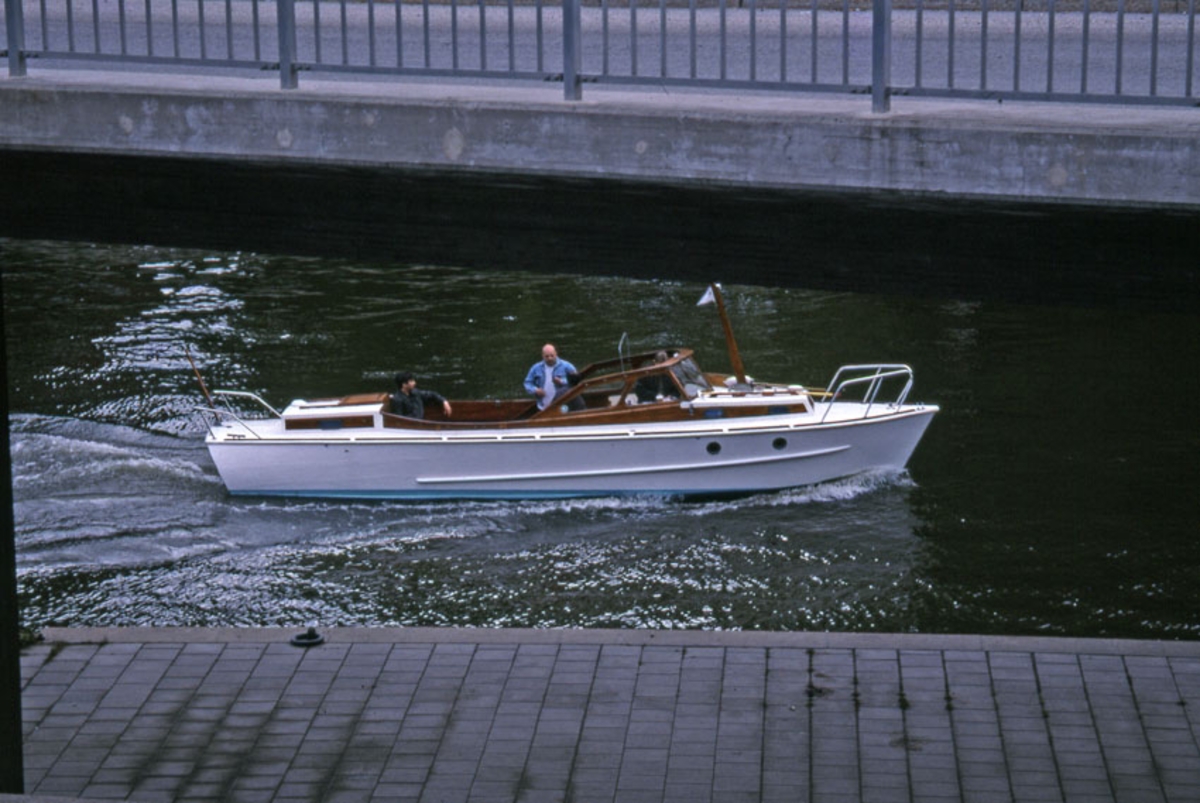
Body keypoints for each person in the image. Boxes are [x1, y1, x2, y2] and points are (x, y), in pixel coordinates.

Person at [523, 343, 578, 410]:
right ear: (542, 356)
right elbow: (527, 383)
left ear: (556, 353)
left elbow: (576, 382)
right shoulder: (535, 368)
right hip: (542, 407)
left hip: (562, 407)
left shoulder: (567, 366)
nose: (550, 358)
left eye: (552, 355)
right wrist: (535, 390)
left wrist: (561, 381)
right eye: (547, 356)